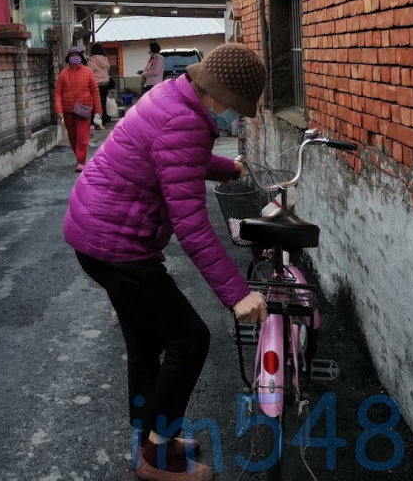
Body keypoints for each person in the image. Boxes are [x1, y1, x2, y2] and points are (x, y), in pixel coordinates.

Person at [63, 43, 269, 481]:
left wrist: (224, 168)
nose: (234, 118)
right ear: (217, 94)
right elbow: (192, 225)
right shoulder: (184, 121)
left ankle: (153, 439)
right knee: (189, 340)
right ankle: (156, 457)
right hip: (118, 246)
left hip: (96, 233)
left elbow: (174, 156)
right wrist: (237, 294)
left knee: (146, 346)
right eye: (235, 108)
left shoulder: (175, 95)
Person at [54, 46, 102, 172]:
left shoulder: (88, 72)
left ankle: (80, 161)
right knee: (73, 137)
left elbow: (95, 92)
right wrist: (59, 110)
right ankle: (79, 157)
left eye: (77, 55)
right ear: (68, 58)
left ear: (81, 57)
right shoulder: (63, 73)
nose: (74, 57)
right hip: (68, 110)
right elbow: (58, 93)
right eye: (72, 55)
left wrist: (98, 112)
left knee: (82, 137)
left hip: (84, 109)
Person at [87, 43, 113, 125]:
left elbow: (89, 73)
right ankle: (104, 118)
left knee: (95, 103)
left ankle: (95, 119)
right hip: (105, 84)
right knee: (103, 102)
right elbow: (108, 68)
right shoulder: (105, 60)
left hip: (96, 85)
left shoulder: (91, 61)